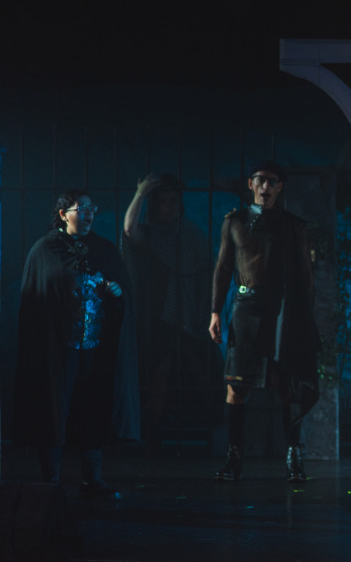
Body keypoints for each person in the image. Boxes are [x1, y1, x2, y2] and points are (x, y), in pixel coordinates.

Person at [14, 190, 140, 498]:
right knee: (54, 408)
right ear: (63, 214)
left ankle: (91, 476)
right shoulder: (45, 250)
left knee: (92, 407)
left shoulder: (103, 249)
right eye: (80, 208)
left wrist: (116, 291)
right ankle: (52, 476)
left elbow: (122, 289)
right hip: (57, 349)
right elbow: (38, 296)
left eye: (90, 209)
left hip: (94, 347)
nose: (87, 214)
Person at [208, 161, 319, 482]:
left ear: (280, 187)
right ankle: (234, 458)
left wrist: (305, 321)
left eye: (272, 182)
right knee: (236, 386)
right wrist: (215, 311)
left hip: (283, 311)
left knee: (288, 386)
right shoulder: (235, 222)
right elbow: (222, 268)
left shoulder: (293, 225)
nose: (266, 188)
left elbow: (305, 276)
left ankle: (294, 457)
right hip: (245, 309)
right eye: (261, 181)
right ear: (251, 184)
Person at [122, 173, 221, 452]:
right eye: (161, 202)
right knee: (157, 379)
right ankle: (154, 439)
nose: (167, 207)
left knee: (203, 376)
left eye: (172, 201)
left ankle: (217, 435)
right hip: (158, 317)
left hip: (191, 317)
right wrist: (140, 192)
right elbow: (130, 231)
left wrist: (206, 312)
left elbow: (206, 277)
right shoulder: (150, 234)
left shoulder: (193, 235)